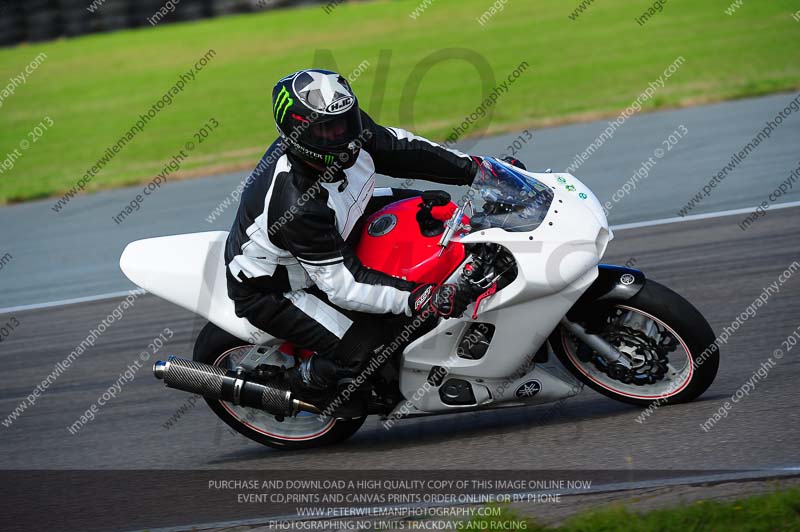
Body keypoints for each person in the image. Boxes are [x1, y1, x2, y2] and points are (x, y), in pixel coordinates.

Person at [224, 69, 481, 412]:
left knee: (432, 212)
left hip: (343, 218)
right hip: (277, 289)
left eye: (346, 122)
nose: (341, 135)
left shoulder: (349, 129)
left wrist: (478, 169)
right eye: (326, 129)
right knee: (375, 342)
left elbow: (405, 149)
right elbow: (342, 285)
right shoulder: (296, 202)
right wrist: (424, 299)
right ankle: (309, 380)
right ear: (297, 134)